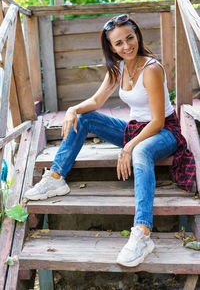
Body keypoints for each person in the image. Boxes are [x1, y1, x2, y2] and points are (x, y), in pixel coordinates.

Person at [24, 14, 196, 267]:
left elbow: (158, 121)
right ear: (111, 47)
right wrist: (73, 109)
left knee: (139, 153)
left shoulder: (152, 69)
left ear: (137, 35)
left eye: (129, 38)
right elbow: (96, 101)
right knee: (85, 117)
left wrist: (128, 147)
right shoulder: (119, 67)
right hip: (135, 129)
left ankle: (142, 234)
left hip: (162, 132)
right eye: (118, 43)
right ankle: (56, 179)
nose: (126, 46)